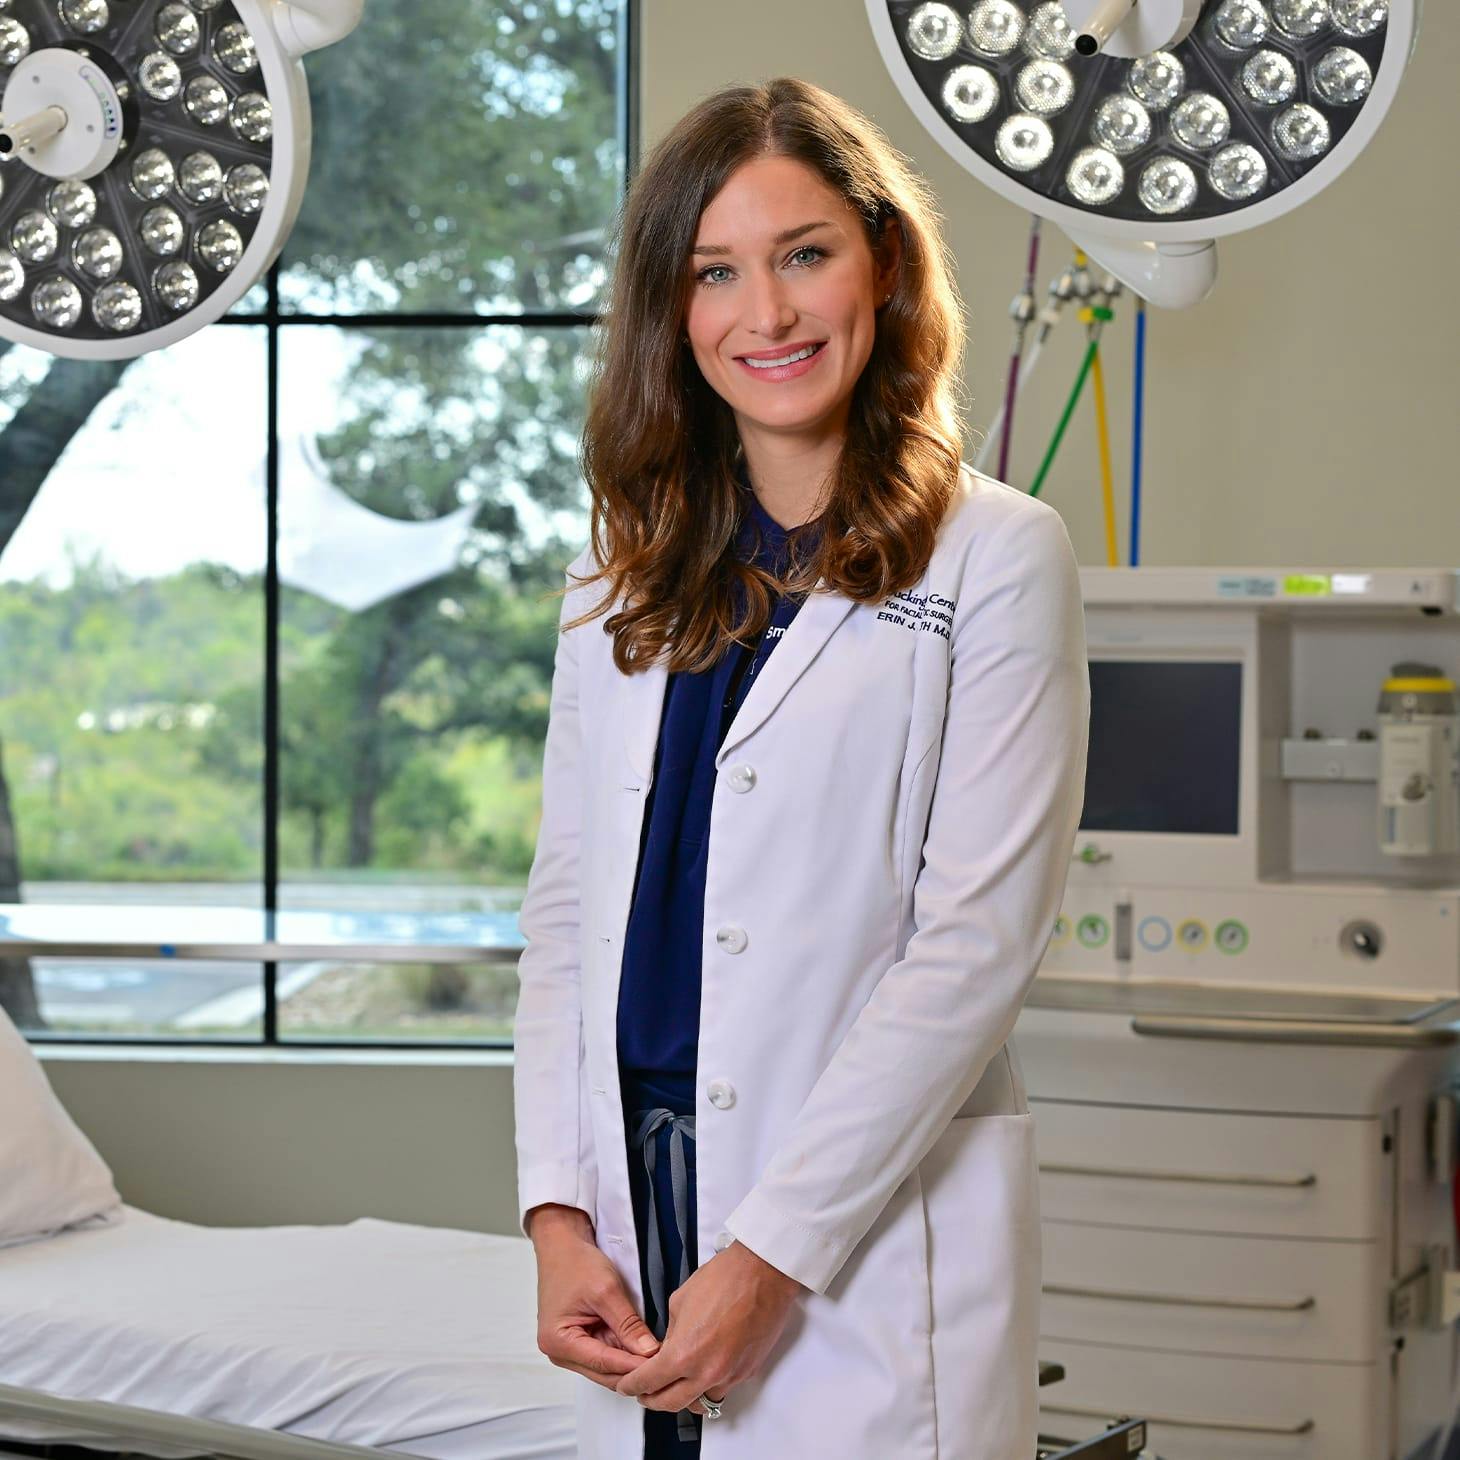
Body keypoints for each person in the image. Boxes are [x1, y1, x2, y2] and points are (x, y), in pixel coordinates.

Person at [513, 76, 1090, 1460]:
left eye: (804, 255)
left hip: (851, 1229)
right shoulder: (619, 566)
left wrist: (771, 1259)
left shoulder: (999, 556)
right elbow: (562, 909)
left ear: (883, 262)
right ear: (673, 306)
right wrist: (554, 1216)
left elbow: (973, 951)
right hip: (635, 1206)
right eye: (715, 271)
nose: (763, 316)